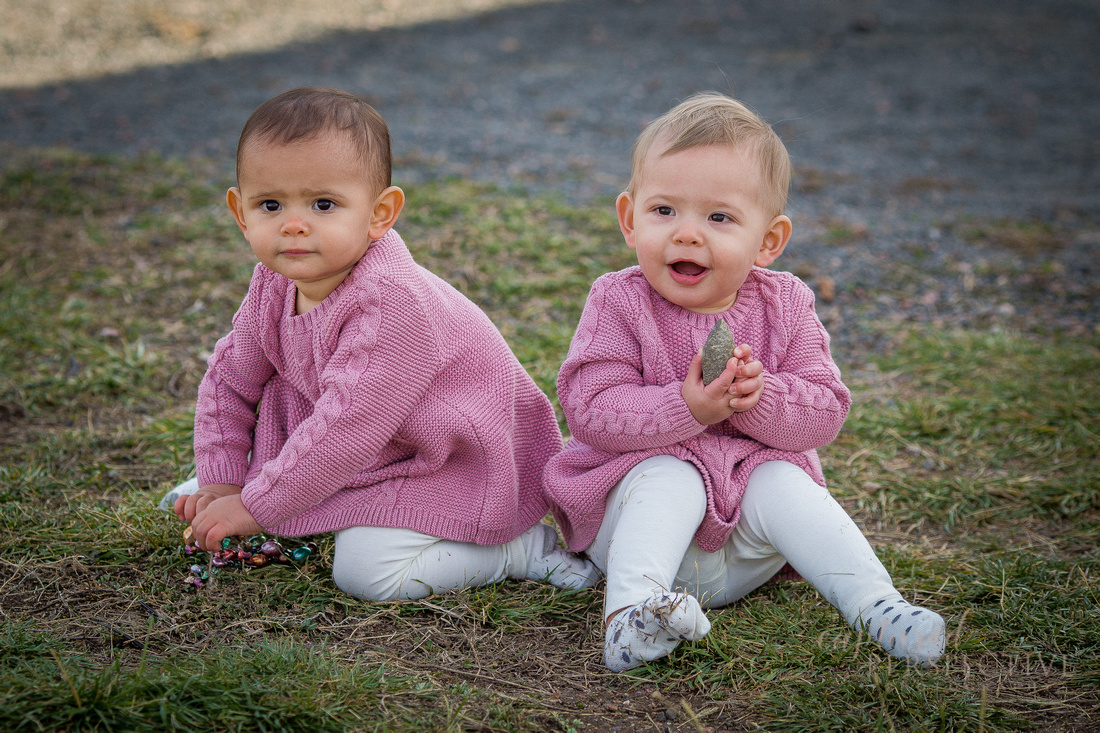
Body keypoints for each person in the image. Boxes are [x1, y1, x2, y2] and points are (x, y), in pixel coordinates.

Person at [543, 92, 946, 671]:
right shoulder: (618, 301)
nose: (686, 234)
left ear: (768, 240)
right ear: (630, 220)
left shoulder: (784, 303)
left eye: (719, 217)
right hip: (641, 532)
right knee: (670, 473)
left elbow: (826, 409)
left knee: (783, 479)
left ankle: (877, 605)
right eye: (664, 211)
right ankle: (630, 618)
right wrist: (686, 408)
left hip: (747, 551)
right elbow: (590, 408)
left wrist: (760, 399)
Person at [170, 86, 598, 600]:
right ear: (241, 213)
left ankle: (518, 549)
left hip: (449, 462)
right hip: (367, 449)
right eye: (270, 204)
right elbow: (228, 379)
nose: (294, 224)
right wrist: (223, 480)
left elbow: (345, 428)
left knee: (367, 573)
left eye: (324, 203)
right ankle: (283, 493)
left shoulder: (392, 305)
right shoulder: (274, 281)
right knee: (223, 492)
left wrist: (256, 505)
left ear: (380, 213)